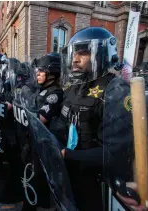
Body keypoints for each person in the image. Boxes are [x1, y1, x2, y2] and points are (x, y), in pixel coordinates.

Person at [50, 27, 120, 211]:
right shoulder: (74, 86)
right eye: (74, 53)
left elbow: (118, 152)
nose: (75, 59)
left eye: (83, 53)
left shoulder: (116, 91)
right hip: (69, 172)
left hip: (95, 182)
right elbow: (61, 123)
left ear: (102, 53)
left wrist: (69, 155)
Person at [33, 53, 64, 127]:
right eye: (38, 70)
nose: (38, 74)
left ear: (51, 72)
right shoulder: (42, 89)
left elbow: (41, 119)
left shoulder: (56, 93)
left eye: (41, 70)